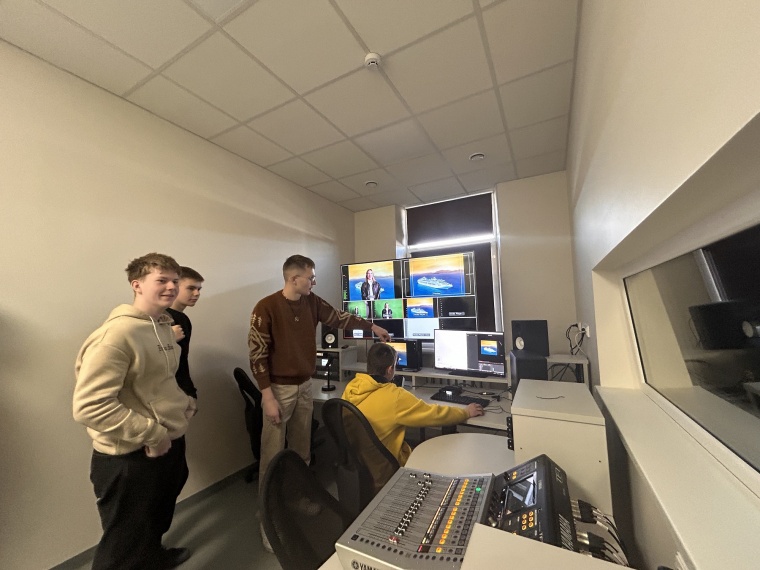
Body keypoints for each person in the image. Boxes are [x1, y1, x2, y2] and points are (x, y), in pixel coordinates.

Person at [249, 254, 390, 552]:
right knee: (272, 457)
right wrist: (267, 396)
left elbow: (339, 317)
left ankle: (297, 498)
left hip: (303, 386)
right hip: (278, 390)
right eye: (310, 277)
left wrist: (372, 327)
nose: (314, 282)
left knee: (302, 451)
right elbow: (257, 355)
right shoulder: (266, 307)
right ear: (294, 279)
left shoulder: (311, 302)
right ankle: (268, 519)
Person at [73, 253, 196, 570]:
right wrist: (153, 434)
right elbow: (90, 406)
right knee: (123, 544)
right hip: (130, 456)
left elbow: (159, 381)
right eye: (161, 280)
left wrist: (184, 402)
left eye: (174, 280)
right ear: (137, 285)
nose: (171, 286)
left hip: (166, 443)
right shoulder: (116, 335)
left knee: (154, 520)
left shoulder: (163, 327)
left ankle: (154, 557)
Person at [342, 343, 484, 466]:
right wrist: (465, 412)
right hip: (386, 465)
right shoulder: (395, 396)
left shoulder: (353, 386)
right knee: (439, 452)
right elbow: (433, 415)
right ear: (390, 369)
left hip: (359, 460)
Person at [167, 266, 204, 400]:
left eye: (199, 289)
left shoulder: (183, 319)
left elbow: (182, 361)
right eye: (191, 288)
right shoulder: (161, 318)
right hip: (169, 394)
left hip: (181, 391)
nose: (197, 293)